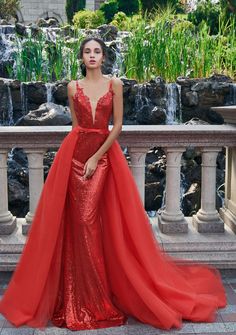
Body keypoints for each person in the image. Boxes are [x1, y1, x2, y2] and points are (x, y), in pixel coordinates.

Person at [0, 37, 227, 332]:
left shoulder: (114, 85)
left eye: (97, 51)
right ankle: (76, 296)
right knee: (77, 225)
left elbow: (116, 126)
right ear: (81, 57)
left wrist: (95, 158)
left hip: (103, 158)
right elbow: (75, 127)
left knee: (97, 225)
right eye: (87, 52)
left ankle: (98, 295)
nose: (92, 55)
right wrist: (78, 156)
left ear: (103, 56)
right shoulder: (72, 87)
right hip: (74, 156)